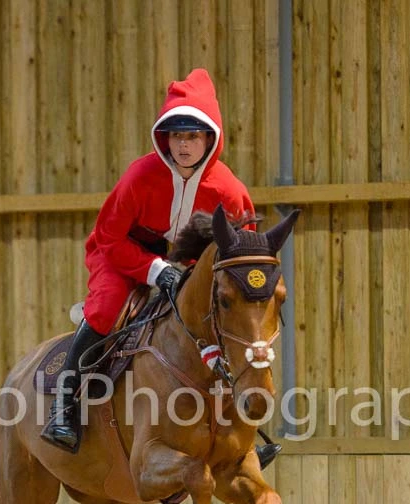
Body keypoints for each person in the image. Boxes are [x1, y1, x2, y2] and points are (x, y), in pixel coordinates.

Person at [41, 68, 280, 469]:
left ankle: (247, 436)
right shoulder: (139, 177)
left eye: (192, 135)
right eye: (176, 135)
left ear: (210, 138)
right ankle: (65, 407)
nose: (184, 145)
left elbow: (242, 257)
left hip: (192, 264)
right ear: (164, 138)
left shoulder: (230, 191)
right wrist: (154, 271)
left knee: (227, 323)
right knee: (105, 308)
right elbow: (109, 238)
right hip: (124, 254)